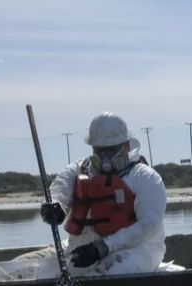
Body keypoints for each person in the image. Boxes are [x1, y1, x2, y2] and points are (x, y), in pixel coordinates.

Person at [39, 112, 167, 275]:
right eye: (100, 150)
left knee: (103, 275)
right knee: (45, 273)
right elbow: (60, 186)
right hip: (86, 248)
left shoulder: (146, 177)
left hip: (139, 250)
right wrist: (54, 206)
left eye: (112, 149)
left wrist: (104, 247)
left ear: (126, 146)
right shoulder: (79, 169)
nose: (105, 157)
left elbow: (148, 225)